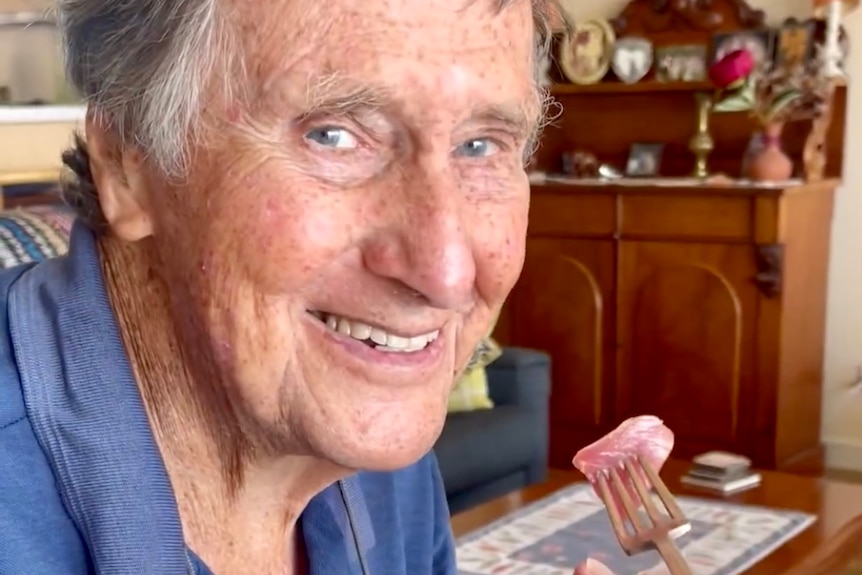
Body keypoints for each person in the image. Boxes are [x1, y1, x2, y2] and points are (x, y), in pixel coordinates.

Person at [0, 0, 613, 573]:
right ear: (127, 161)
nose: (445, 273)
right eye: (334, 135)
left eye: (480, 147)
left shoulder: (366, 422)